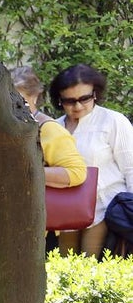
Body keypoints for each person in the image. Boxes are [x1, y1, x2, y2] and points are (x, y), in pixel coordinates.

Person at [50, 64, 133, 257]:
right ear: (59, 100)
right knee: (65, 270)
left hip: (106, 210)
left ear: (95, 93)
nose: (78, 106)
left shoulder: (113, 121)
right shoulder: (54, 127)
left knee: (91, 270)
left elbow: (131, 166)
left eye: (84, 98)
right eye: (69, 101)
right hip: (65, 211)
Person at [12, 66, 88, 252]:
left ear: (35, 96)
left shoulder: (48, 129)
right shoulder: (8, 125)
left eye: (21, 99)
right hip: (10, 223)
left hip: (39, 228)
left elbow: (77, 173)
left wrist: (28, 172)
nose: (14, 104)